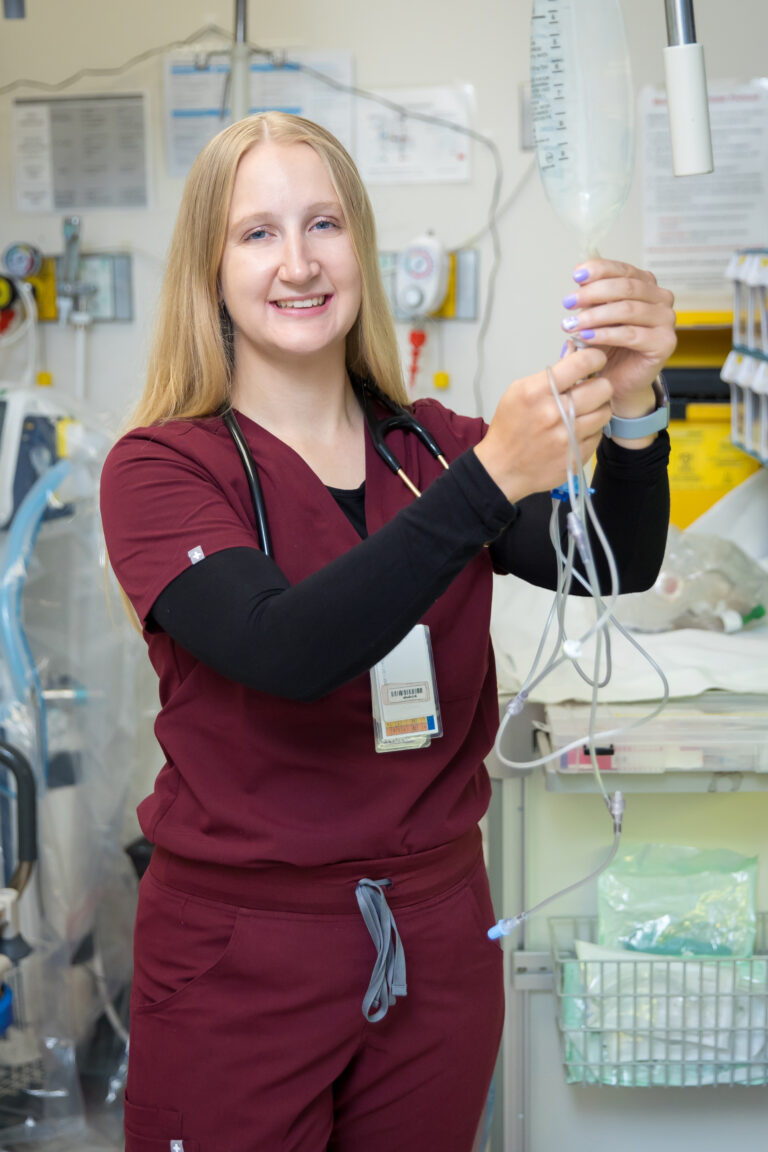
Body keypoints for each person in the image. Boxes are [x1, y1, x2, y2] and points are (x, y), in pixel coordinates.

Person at [100, 111, 675, 1152]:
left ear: (359, 246)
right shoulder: (162, 469)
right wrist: (493, 476)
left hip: (437, 938)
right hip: (245, 954)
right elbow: (287, 650)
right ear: (210, 268)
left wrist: (634, 415)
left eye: (323, 224)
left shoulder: (427, 446)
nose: (299, 262)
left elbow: (613, 564)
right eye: (258, 233)